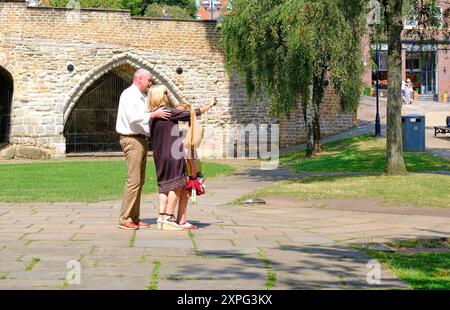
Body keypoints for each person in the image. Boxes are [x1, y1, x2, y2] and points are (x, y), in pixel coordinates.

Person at [147, 85, 217, 230]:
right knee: (177, 186)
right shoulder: (167, 112)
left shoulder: (152, 116)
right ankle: (169, 217)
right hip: (173, 155)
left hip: (159, 156)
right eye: (165, 93)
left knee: (164, 186)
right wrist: (209, 105)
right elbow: (192, 113)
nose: (167, 95)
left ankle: (161, 217)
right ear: (160, 96)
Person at [116, 69, 171, 230]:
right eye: (148, 80)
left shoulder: (141, 96)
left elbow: (144, 120)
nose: (150, 83)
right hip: (131, 139)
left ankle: (134, 217)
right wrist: (154, 115)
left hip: (140, 140)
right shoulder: (129, 95)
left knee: (139, 181)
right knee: (133, 181)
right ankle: (125, 218)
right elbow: (134, 117)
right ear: (139, 79)